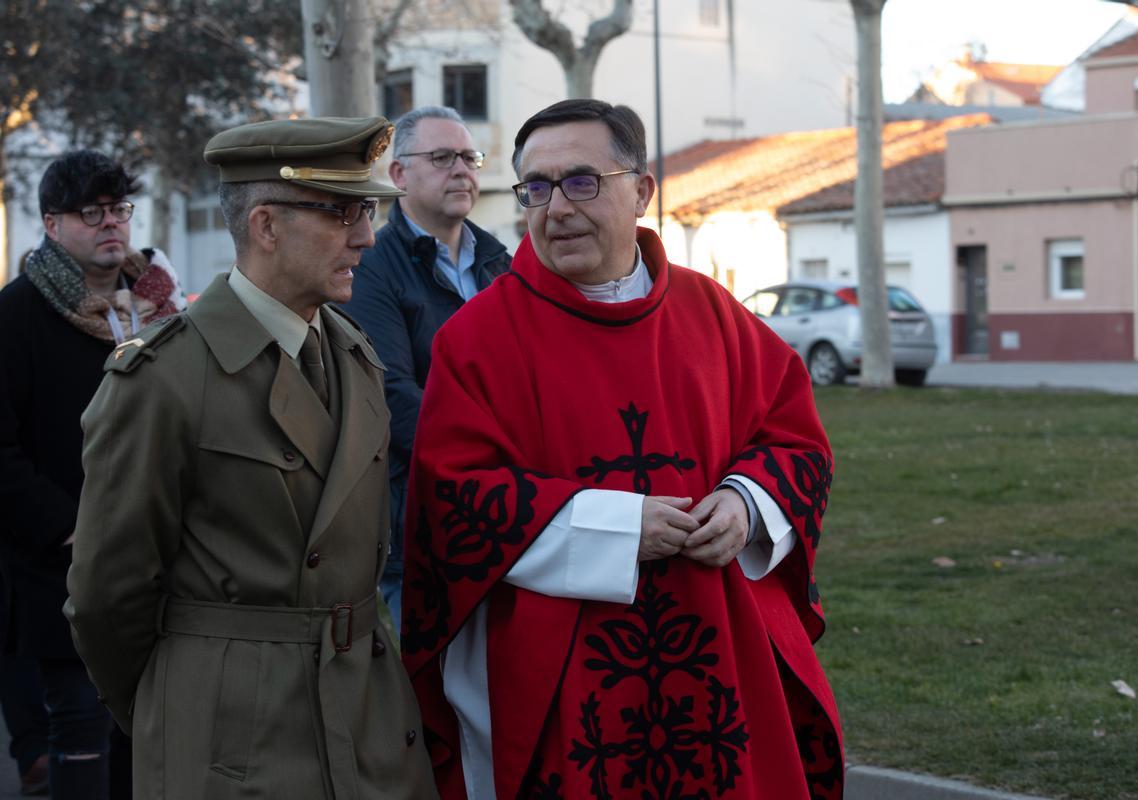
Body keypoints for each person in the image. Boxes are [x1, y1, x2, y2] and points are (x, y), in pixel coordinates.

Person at [401, 99, 845, 800]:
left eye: (582, 181)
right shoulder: (477, 339)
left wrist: (747, 503)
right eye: (536, 188)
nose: (556, 208)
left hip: (718, 644)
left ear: (640, 191)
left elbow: (792, 438)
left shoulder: (717, 316)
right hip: (565, 669)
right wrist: (610, 526)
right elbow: (455, 495)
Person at [64, 117, 437, 799]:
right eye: (342, 212)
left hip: (367, 723)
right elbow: (105, 598)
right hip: (233, 740)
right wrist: (183, 703)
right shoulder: (164, 378)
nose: (366, 235)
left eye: (369, 210)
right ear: (266, 226)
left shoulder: (354, 352)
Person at [0, 149, 182, 798]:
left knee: (149, 737)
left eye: (119, 210)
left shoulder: (162, 310)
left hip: (158, 566)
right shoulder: (17, 313)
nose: (112, 224)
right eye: (91, 213)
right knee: (82, 738)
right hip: (62, 571)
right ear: (52, 225)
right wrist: (73, 530)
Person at [341, 105, 510, 628]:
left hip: (506, 510)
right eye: (441, 158)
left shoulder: (499, 261)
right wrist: (495, 452)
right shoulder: (371, 266)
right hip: (418, 517)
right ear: (398, 175)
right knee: (428, 689)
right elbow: (391, 391)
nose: (462, 170)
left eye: (469, 157)